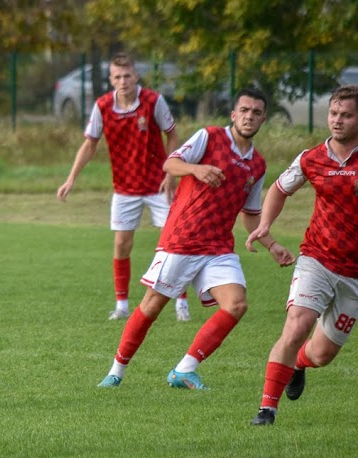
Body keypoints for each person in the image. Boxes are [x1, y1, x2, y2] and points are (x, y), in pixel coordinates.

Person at [97, 87, 295, 390]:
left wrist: (271, 244)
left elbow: (250, 213)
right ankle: (116, 372)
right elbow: (169, 164)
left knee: (236, 304)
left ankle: (184, 369)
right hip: (183, 238)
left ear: (263, 119)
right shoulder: (210, 137)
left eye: (256, 112)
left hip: (218, 247)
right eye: (244, 110)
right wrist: (196, 169)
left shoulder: (258, 165)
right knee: (152, 305)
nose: (249, 116)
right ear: (233, 114)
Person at [248, 85, 358, 426]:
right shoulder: (311, 158)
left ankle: (299, 363)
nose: (337, 121)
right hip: (317, 259)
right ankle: (267, 409)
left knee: (321, 354)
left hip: (354, 274)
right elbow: (279, 190)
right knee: (297, 325)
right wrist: (265, 225)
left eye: (347, 115)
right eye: (334, 114)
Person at [56, 53, 191, 322]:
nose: (123, 80)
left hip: (157, 185)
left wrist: (171, 173)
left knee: (174, 245)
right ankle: (122, 305)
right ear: (110, 80)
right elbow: (90, 143)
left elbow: (172, 134)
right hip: (125, 187)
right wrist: (71, 178)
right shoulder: (103, 106)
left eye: (127, 75)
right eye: (117, 76)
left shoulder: (153, 101)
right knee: (121, 244)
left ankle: (181, 303)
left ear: (136, 76)